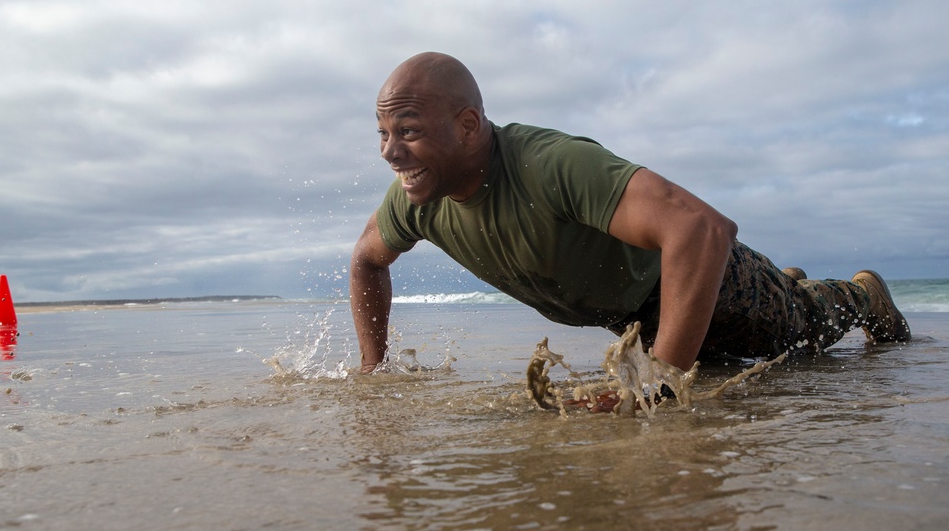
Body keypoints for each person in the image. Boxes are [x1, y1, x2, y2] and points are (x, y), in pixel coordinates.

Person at [350, 52, 911, 375]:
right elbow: (365, 262)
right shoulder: (415, 202)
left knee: (798, 335)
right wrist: (373, 370)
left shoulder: (549, 165)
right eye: (383, 133)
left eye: (409, 132)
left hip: (697, 281)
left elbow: (700, 228)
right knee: (725, 375)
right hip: (635, 317)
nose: (390, 152)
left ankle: (862, 295)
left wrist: (661, 380)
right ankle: (786, 282)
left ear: (468, 126)